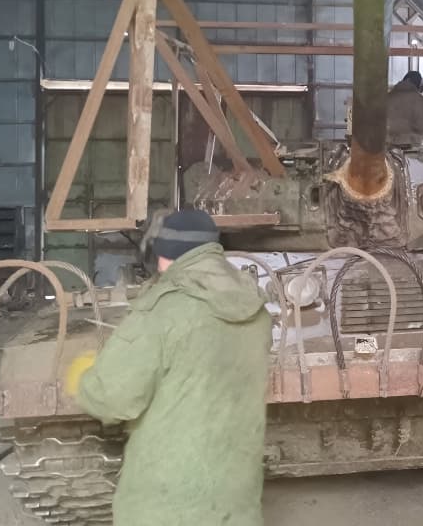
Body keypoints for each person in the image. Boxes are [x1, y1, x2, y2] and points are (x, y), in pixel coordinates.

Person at [65, 208, 271, 526]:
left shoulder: (162, 310)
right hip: (236, 501)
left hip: (168, 505)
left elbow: (113, 399)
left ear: (164, 254)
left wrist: (82, 378)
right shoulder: (255, 307)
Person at [386, 70, 423, 144]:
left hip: (388, 144)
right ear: (417, 85)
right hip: (409, 145)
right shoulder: (418, 99)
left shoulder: (388, 96)